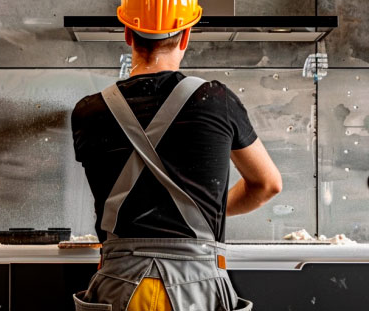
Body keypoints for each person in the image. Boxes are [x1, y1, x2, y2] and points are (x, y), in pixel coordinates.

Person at [69, 1, 282, 310]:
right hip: (197, 288)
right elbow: (268, 185)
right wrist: (207, 209)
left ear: (127, 33)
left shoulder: (88, 112)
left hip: (118, 286)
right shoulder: (216, 100)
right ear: (185, 37)